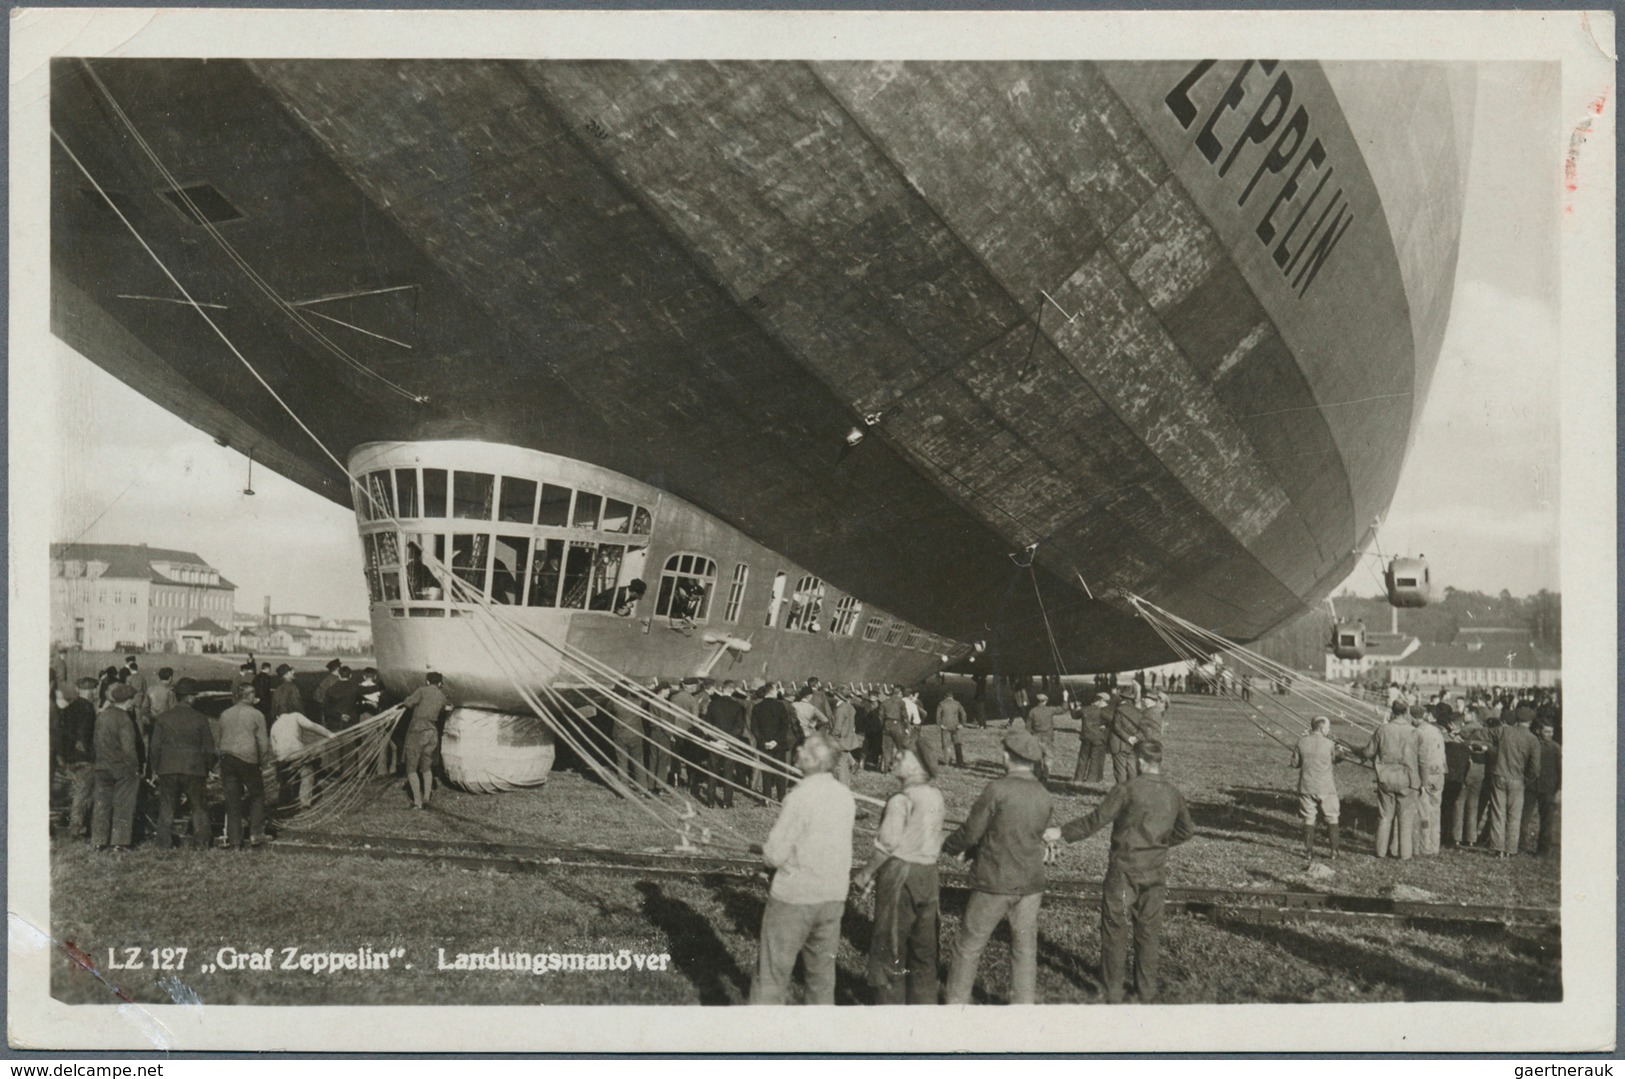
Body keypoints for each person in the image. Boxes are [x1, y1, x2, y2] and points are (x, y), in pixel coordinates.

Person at [1045, 739, 1194, 1004]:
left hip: (1124, 870)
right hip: (1155, 872)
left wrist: (1061, 832)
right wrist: (1157, 844)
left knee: (1115, 928)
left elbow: (1095, 820)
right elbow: (1186, 831)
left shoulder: (1126, 789)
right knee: (1148, 932)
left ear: (1139, 761)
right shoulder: (1173, 793)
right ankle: (1146, 992)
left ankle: (1112, 991)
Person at [941, 731, 1055, 1005]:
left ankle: (955, 1007)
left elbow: (971, 832)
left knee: (968, 946)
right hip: (1031, 884)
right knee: (1025, 948)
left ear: (1009, 757)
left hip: (995, 881)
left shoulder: (997, 789)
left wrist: (950, 846)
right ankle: (1023, 1007)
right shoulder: (1043, 794)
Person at [750, 733, 855, 1005]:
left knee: (772, 974)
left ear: (810, 759)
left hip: (795, 897)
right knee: (821, 976)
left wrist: (766, 857)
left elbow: (774, 854)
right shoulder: (844, 795)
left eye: (803, 750)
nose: (797, 753)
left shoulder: (799, 796)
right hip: (833, 895)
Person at [854, 746, 945, 1005]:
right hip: (929, 875)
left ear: (916, 766)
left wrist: (867, 873)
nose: (893, 758)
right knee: (925, 950)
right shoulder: (935, 795)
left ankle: (890, 1013)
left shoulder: (900, 800)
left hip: (901, 874)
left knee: (890, 946)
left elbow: (887, 845)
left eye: (901, 756)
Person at [147, 678, 217, 850]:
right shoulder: (200, 718)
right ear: (190, 697)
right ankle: (201, 843)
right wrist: (209, 767)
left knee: (167, 807)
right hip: (194, 769)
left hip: (168, 768)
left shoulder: (163, 718)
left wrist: (154, 769)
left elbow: (154, 747)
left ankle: (163, 843)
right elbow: (209, 747)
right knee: (199, 807)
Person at [1362, 701, 1421, 860]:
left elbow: (1368, 752)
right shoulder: (1414, 732)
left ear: (1392, 712)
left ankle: (1380, 852)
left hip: (1385, 778)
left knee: (1385, 816)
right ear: (1406, 712)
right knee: (1405, 819)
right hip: (1408, 779)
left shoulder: (1382, 729)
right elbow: (1422, 759)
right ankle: (1405, 854)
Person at [89, 682, 143, 851]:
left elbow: (95, 743)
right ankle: (120, 842)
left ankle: (98, 841)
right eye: (132, 700)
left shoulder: (102, 716)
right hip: (121, 769)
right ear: (127, 701)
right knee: (123, 805)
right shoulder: (124, 719)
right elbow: (129, 749)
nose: (133, 702)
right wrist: (135, 767)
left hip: (101, 766)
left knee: (101, 805)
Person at [216, 683, 272, 848]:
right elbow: (263, 743)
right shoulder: (257, 714)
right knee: (257, 795)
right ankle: (256, 833)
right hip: (247, 759)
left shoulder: (225, 714)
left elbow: (220, 738)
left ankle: (234, 840)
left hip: (227, 758)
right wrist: (262, 762)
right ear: (249, 696)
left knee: (232, 799)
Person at [1487, 706, 1542, 858]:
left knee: (1498, 812)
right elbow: (1535, 768)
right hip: (1518, 779)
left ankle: (1498, 847)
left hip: (1499, 774)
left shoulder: (1505, 731)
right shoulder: (1532, 739)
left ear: (1517, 718)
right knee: (1514, 815)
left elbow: (1485, 734)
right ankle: (1511, 849)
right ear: (1530, 721)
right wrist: (1526, 779)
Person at [1290, 716, 1344, 864]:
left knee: (1309, 818)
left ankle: (1308, 852)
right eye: (1327, 728)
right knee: (1332, 818)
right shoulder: (1330, 743)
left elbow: (1294, 763)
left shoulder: (1301, 741)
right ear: (1321, 728)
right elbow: (1337, 758)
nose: (1329, 730)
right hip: (1326, 787)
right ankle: (1334, 851)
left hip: (1306, 786)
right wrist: (1339, 748)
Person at [400, 672, 450, 810]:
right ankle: (427, 797)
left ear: (427, 682)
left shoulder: (421, 691)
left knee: (411, 767)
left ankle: (417, 801)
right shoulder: (442, 697)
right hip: (432, 733)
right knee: (427, 766)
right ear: (440, 683)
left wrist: (407, 700)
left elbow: (408, 703)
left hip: (418, 731)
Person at [58, 677, 100, 837]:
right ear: (91, 690)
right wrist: (88, 752)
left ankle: (75, 823)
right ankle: (76, 827)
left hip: (69, 756)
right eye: (94, 690)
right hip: (83, 757)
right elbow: (85, 733)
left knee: (77, 792)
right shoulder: (88, 708)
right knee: (84, 793)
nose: (95, 692)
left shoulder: (70, 707)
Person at [270, 708, 334, 810]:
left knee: (285, 778)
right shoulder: (295, 716)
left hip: (282, 755)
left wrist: (279, 758)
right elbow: (312, 726)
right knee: (307, 773)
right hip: (297, 751)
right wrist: (329, 734)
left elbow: (273, 747)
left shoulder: (274, 726)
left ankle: (284, 801)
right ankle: (305, 801)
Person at [702, 680, 750, 807]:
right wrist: (728, 739)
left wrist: (716, 738)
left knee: (713, 770)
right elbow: (739, 727)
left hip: (715, 741)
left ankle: (710, 801)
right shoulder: (737, 706)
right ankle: (727, 801)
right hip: (730, 743)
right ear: (733, 690)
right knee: (729, 772)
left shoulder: (713, 704)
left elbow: (707, 723)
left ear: (722, 689)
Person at [750, 684, 797, 803]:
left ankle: (767, 798)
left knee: (766, 772)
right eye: (776, 689)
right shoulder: (780, 706)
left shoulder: (757, 707)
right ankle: (781, 797)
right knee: (780, 772)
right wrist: (776, 741)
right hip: (779, 744)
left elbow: (754, 728)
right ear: (771, 691)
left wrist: (763, 741)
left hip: (763, 745)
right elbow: (784, 726)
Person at [1412, 705, 1447, 856]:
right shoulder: (1436, 730)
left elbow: (1421, 759)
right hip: (1439, 774)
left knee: (1423, 810)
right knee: (1435, 809)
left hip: (1427, 776)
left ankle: (1424, 846)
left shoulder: (1419, 733)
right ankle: (1434, 845)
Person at [1522, 720, 1561, 855]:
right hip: (1531, 787)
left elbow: (1561, 770)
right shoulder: (1532, 744)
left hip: (1548, 789)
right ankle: (1519, 845)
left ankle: (1543, 850)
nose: (1549, 734)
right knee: (1524, 817)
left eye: (1551, 732)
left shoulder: (1556, 748)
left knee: (1547, 820)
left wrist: (1559, 790)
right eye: (1546, 731)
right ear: (1539, 731)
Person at [1107, 690, 1149, 787]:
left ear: (1121, 698)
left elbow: (1117, 727)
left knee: (1120, 770)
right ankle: (1132, 792)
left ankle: (1122, 793)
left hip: (1118, 744)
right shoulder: (1138, 711)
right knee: (1132, 769)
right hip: (1133, 745)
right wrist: (1135, 738)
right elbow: (1143, 728)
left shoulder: (1119, 710)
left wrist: (1128, 738)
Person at [1072, 692, 1111, 786]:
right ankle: (1091, 779)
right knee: (1095, 759)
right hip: (1097, 738)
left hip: (1085, 737)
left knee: (1083, 758)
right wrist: (1105, 725)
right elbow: (1113, 719)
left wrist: (1074, 708)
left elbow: (1074, 716)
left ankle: (1078, 778)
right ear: (1099, 701)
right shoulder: (1101, 711)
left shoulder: (1084, 710)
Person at [829, 687, 862, 784]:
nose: (833, 697)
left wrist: (830, 738)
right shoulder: (850, 707)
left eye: (834, 695)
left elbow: (837, 729)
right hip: (848, 737)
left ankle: (844, 786)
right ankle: (853, 763)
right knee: (843, 759)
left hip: (840, 739)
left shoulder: (840, 710)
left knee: (840, 764)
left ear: (838, 697)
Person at [322, 665, 363, 732]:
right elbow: (360, 704)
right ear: (350, 675)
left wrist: (340, 715)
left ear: (339, 676)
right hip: (351, 724)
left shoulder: (331, 689)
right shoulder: (356, 688)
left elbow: (325, 707)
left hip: (334, 724)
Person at [879, 686, 910, 773]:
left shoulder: (884, 702)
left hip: (887, 725)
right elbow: (905, 716)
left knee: (886, 748)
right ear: (899, 693)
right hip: (898, 725)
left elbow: (880, 717)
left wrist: (882, 726)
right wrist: (907, 728)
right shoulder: (901, 702)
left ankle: (885, 769)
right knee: (900, 747)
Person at [935, 691, 966, 769]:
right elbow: (963, 714)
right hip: (955, 726)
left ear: (945, 697)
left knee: (946, 744)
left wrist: (940, 724)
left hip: (945, 726)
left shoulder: (941, 704)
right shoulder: (957, 703)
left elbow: (938, 715)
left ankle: (947, 762)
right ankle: (960, 762)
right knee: (957, 744)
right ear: (952, 697)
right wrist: (962, 724)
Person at [144, 667, 177, 737]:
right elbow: (172, 707)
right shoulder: (170, 690)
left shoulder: (150, 689)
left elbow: (145, 706)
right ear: (170, 677)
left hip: (153, 719)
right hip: (166, 720)